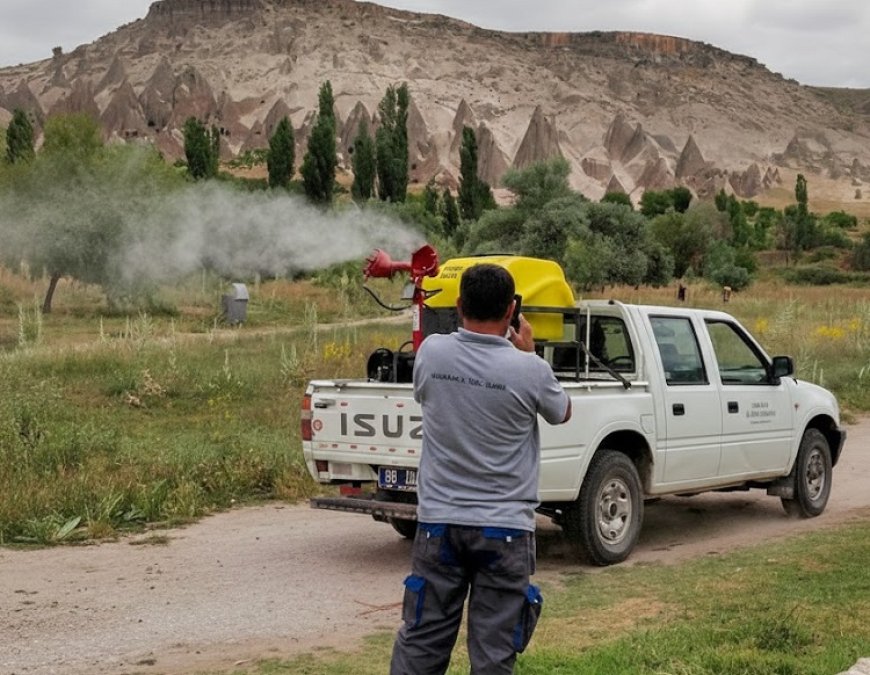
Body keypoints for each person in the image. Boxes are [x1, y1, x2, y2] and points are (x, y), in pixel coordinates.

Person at [391, 263, 572, 675]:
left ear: (458, 305)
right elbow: (562, 412)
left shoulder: (432, 353)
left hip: (439, 523)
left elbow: (425, 390)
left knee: (421, 643)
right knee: (493, 654)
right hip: (505, 528)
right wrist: (528, 354)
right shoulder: (530, 370)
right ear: (512, 310)